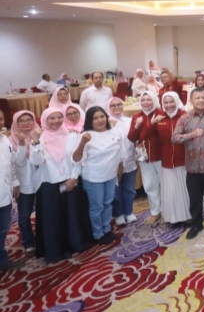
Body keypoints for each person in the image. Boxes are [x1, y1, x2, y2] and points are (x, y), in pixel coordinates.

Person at [27, 109, 94, 264]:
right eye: (52, 118)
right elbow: (36, 162)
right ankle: (55, 250)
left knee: (73, 215)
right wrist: (35, 141)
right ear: (45, 120)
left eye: (59, 117)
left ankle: (76, 243)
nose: (56, 121)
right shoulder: (39, 138)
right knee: (52, 219)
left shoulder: (71, 136)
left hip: (70, 181)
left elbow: (78, 159)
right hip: (48, 183)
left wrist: (74, 177)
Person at [172, 87, 204, 239]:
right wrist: (191, 135)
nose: (201, 100)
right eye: (197, 98)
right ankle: (196, 224)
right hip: (192, 167)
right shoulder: (184, 118)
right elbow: (174, 138)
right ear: (191, 100)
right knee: (194, 198)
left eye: (203, 98)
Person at [70, 106, 122, 245]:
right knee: (97, 207)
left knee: (108, 203)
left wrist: (120, 167)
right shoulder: (86, 135)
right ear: (90, 121)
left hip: (110, 175)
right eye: (95, 118)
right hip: (94, 177)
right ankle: (98, 234)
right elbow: (76, 159)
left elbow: (119, 152)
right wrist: (82, 143)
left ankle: (106, 229)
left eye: (102, 116)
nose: (100, 120)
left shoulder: (113, 132)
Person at [142, 92, 191, 228]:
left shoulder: (185, 116)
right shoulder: (159, 117)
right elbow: (144, 136)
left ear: (177, 101)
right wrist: (152, 123)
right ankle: (173, 217)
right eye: (166, 102)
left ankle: (189, 216)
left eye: (171, 102)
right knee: (171, 191)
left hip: (184, 159)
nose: (169, 105)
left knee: (186, 189)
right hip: (167, 160)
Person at [127, 91, 163, 224]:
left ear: (154, 100)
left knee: (165, 184)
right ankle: (155, 212)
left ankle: (167, 211)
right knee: (149, 185)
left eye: (149, 99)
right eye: (143, 100)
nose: (146, 102)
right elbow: (131, 137)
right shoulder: (137, 117)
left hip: (161, 155)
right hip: (144, 157)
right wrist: (137, 126)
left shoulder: (161, 114)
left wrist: (151, 124)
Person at [9, 111, 40, 255]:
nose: (26, 123)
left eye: (29, 120)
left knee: (44, 212)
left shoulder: (40, 134)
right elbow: (18, 162)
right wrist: (22, 143)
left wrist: (37, 140)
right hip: (23, 183)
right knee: (24, 216)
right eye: (21, 121)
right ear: (16, 123)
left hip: (41, 180)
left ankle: (42, 239)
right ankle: (28, 243)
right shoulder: (10, 140)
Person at [106, 97, 137, 226]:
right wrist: (110, 127)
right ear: (108, 108)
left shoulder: (129, 121)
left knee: (129, 190)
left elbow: (134, 138)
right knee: (116, 192)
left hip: (129, 160)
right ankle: (119, 214)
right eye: (113, 105)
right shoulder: (105, 123)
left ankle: (128, 212)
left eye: (119, 104)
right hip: (113, 163)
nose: (116, 107)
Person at [0, 112, 22, 270]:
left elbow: (10, 165)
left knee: (3, 228)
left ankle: (2, 260)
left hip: (5, 194)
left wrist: (15, 184)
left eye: (0, 119)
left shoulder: (5, 140)